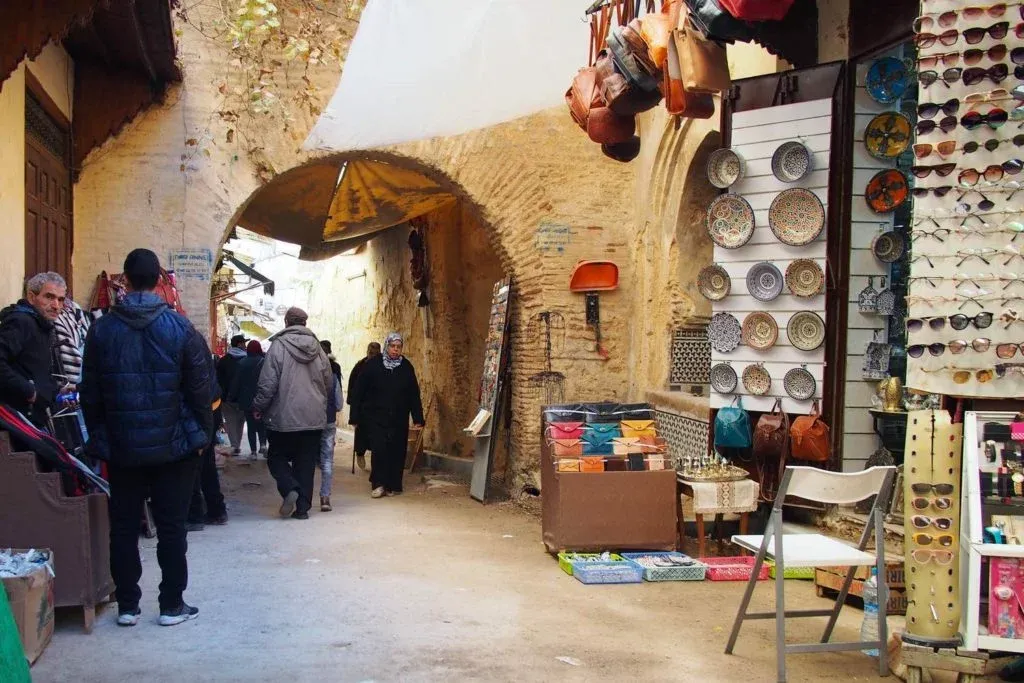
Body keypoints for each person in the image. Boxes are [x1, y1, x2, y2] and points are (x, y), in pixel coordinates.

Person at [80, 248, 214, 627]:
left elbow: (89, 393)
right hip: (174, 448)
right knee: (172, 527)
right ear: (159, 280)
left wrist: (103, 434)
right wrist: (201, 434)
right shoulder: (180, 328)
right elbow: (200, 389)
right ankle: (171, 604)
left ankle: (127, 606)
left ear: (124, 280)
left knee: (123, 527)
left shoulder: (102, 329)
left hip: (123, 449)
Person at [252, 307, 332, 520]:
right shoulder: (319, 350)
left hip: (283, 416)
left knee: (276, 457)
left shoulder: (278, 347)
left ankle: (289, 489)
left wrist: (259, 407)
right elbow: (328, 383)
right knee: (305, 462)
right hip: (313, 418)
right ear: (304, 323)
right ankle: (303, 510)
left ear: (287, 322)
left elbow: (267, 384)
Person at [350, 333, 424, 498]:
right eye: (392, 346)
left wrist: (418, 417)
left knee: (397, 450)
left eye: (399, 347)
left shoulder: (406, 367)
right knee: (380, 449)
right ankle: (378, 484)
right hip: (376, 417)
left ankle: (393, 484)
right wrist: (354, 416)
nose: (395, 350)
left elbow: (413, 393)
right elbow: (358, 392)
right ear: (386, 346)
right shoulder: (373, 365)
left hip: (398, 417)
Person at [0, 272, 67, 427]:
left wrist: (56, 390)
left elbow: (31, 369)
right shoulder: (21, 321)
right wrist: (29, 391)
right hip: (15, 419)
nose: (56, 305)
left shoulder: (43, 325)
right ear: (31, 297)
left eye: (61, 300)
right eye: (49, 297)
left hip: (31, 418)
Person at [187, 352, 228, 531]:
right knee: (205, 463)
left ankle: (196, 514)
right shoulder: (193, 340)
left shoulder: (180, 340)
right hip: (211, 407)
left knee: (192, 464)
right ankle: (215, 510)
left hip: (199, 410)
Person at [229, 340, 267, 458]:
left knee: (250, 425)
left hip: (246, 399)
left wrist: (231, 396)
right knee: (262, 423)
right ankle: (263, 445)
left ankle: (253, 452)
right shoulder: (264, 362)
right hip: (262, 397)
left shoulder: (242, 363)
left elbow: (237, 382)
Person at [347, 342, 381, 471]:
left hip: (377, 408)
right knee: (361, 434)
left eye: (375, 352)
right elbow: (352, 387)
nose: (373, 355)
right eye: (371, 352)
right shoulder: (360, 366)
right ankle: (360, 453)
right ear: (367, 351)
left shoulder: (383, 366)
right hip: (362, 408)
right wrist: (353, 409)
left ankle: (376, 463)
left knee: (376, 437)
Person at [317, 340, 343, 512]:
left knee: (305, 460)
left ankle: (302, 497)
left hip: (310, 422)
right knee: (327, 461)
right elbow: (339, 403)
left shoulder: (310, 373)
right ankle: (325, 497)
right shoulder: (334, 372)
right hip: (329, 420)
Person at [216, 334, 247, 456]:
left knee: (230, 421)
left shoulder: (223, 360)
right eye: (244, 343)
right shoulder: (246, 359)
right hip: (243, 397)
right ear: (239, 344)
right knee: (240, 421)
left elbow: (218, 379)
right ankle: (236, 444)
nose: (245, 345)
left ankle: (235, 445)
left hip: (226, 397)